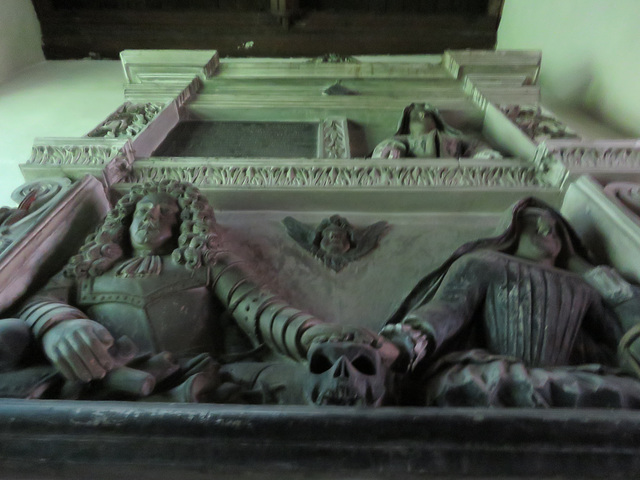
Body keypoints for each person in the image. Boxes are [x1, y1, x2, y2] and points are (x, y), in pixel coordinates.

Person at [16, 180, 396, 401]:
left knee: (311, 388)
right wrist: (59, 327)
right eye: (144, 211)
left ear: (185, 224)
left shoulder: (204, 264)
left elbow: (261, 311)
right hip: (91, 382)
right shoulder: (87, 272)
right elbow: (40, 299)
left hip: (195, 377)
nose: (152, 216)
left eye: (167, 212)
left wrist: (316, 336)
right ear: (123, 220)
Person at [382, 197, 640, 407]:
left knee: (626, 393)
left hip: (566, 378)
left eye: (554, 229)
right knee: (466, 388)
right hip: (500, 373)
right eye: (534, 223)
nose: (545, 230)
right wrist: (405, 342)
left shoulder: (582, 286)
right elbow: (448, 309)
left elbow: (619, 339)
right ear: (512, 230)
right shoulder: (485, 262)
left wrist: (601, 280)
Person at [372, 103, 502, 160]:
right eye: (417, 117)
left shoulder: (451, 138)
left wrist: (483, 155)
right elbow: (388, 145)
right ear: (407, 124)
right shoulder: (405, 140)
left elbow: (476, 145)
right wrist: (391, 152)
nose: (422, 116)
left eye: (427, 115)